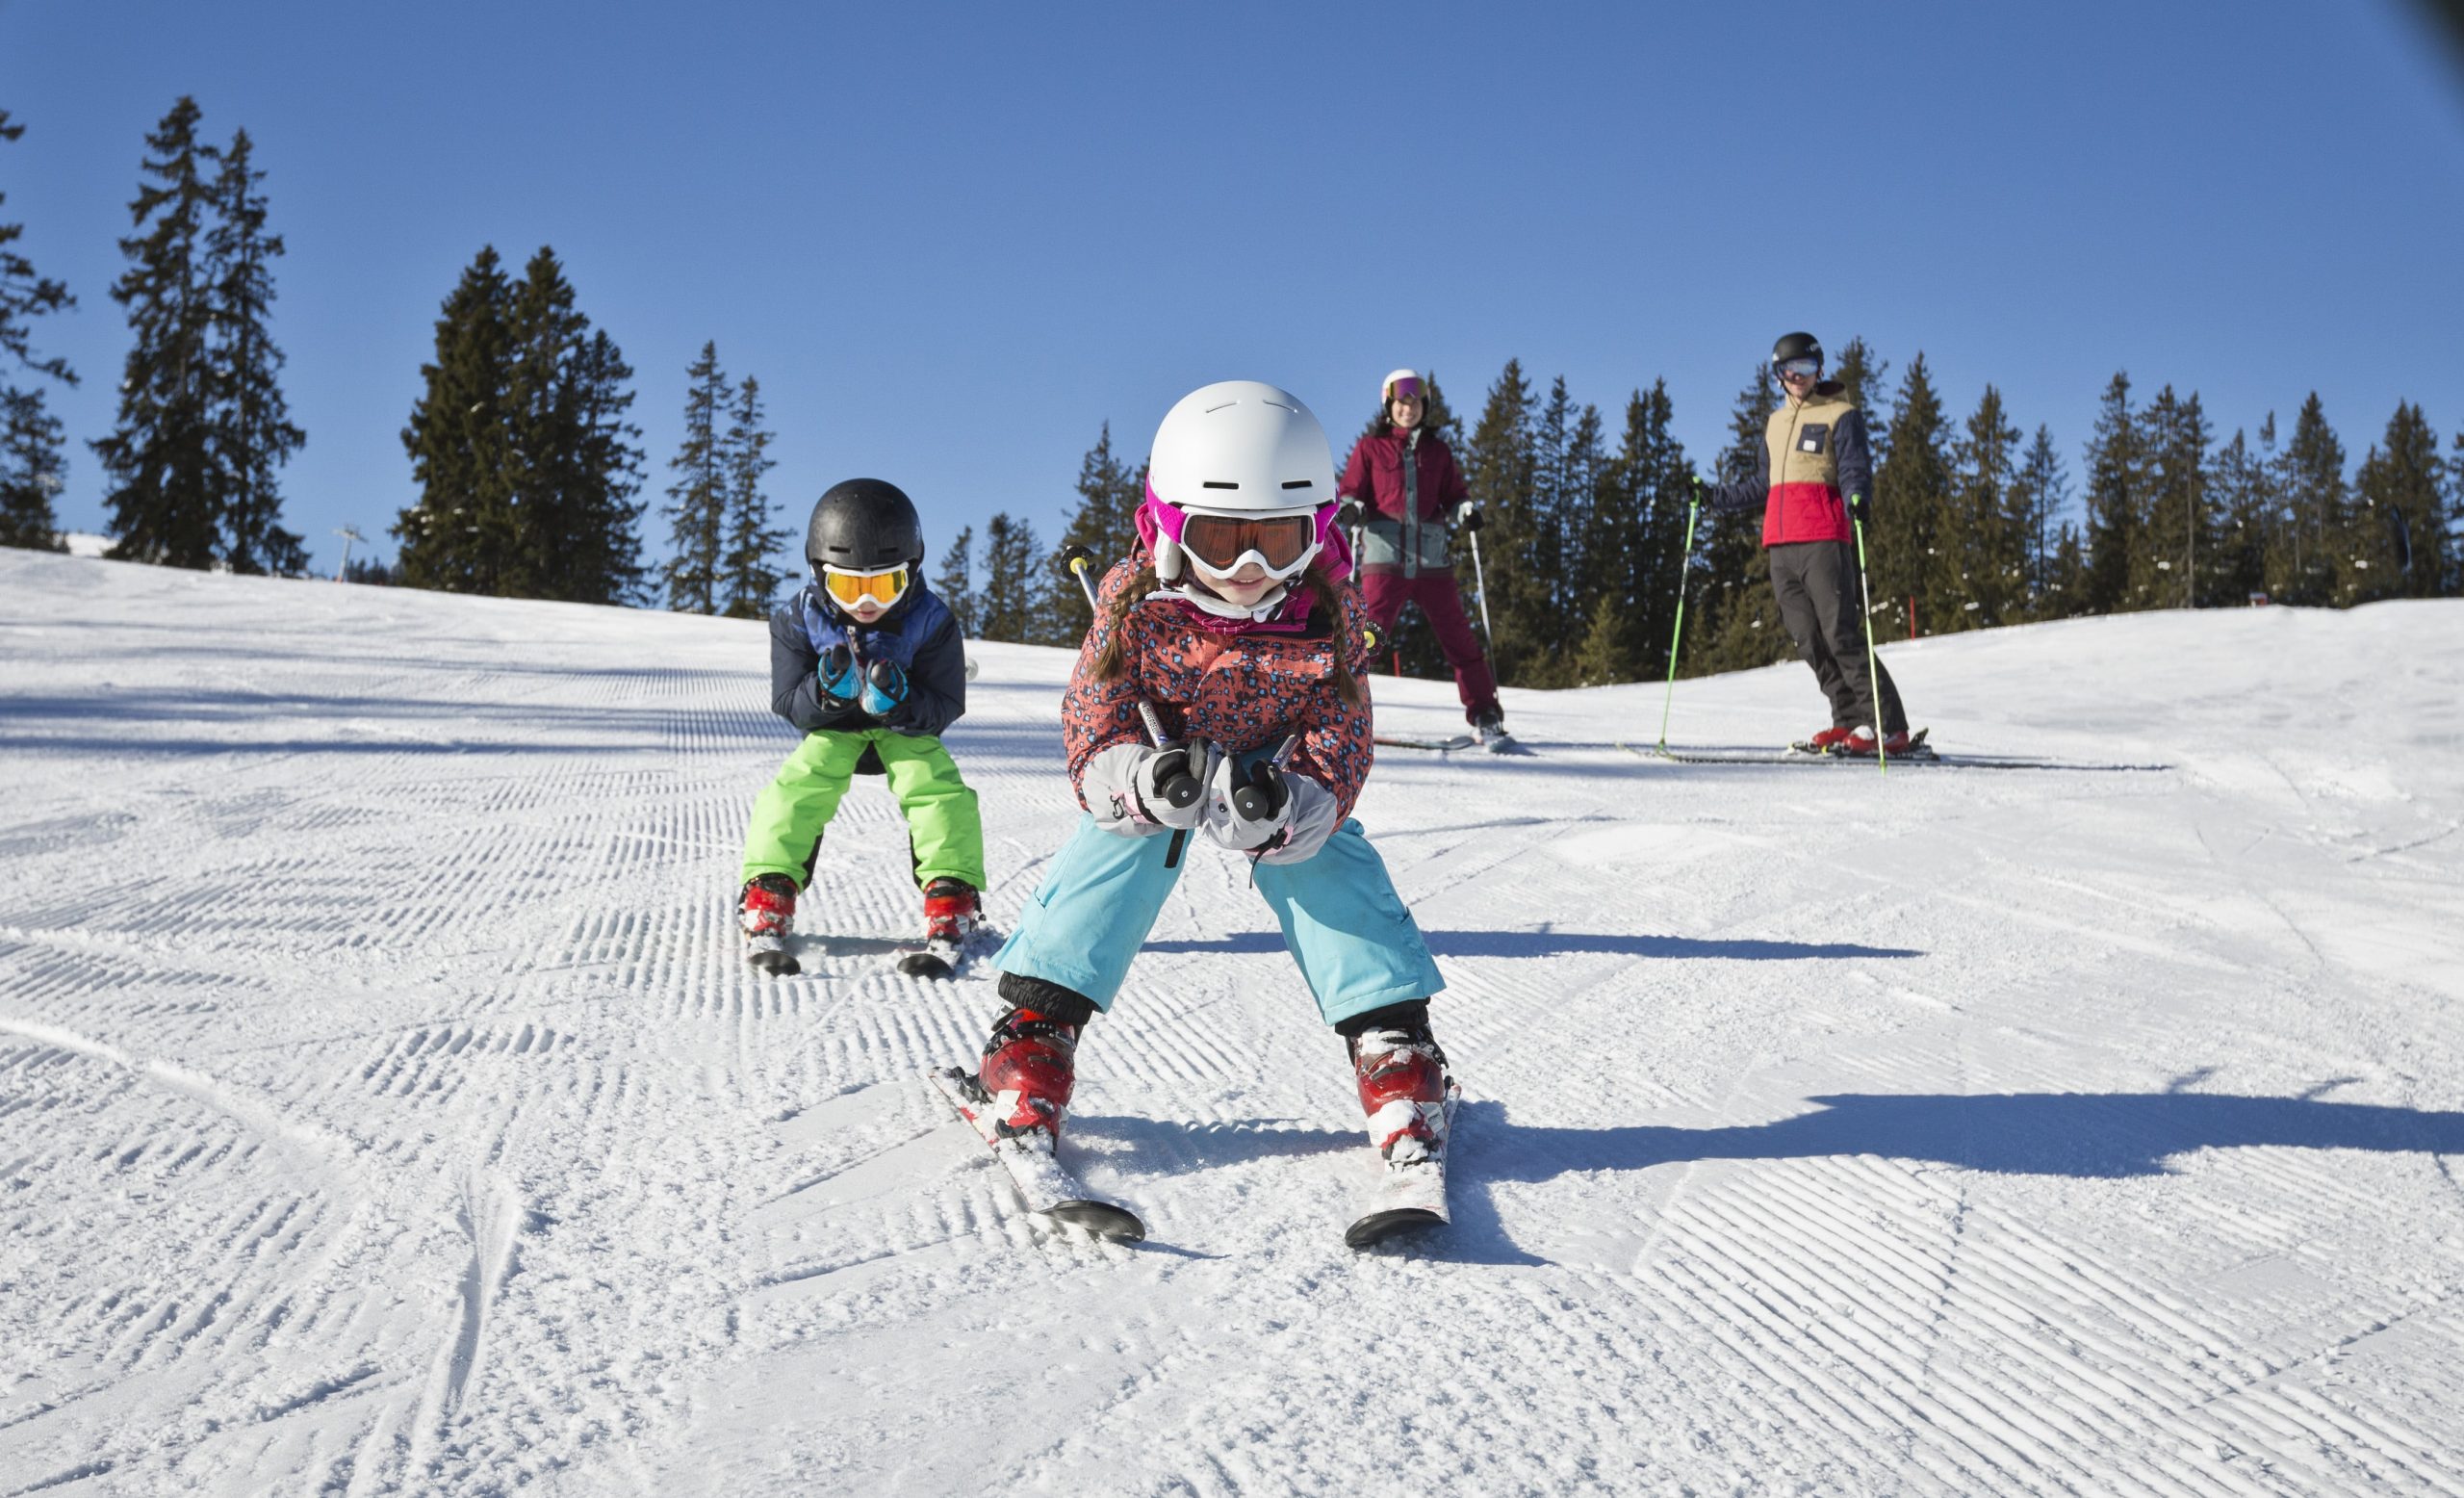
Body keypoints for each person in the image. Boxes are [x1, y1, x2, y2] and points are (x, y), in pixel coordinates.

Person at [969, 379, 1455, 1219]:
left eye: (1278, 540)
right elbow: (1093, 724)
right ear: (1167, 530)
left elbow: (1343, 734)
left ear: (1318, 534)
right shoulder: (1132, 602)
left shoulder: (1329, 612)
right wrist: (1133, 779)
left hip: (1272, 770)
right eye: (1222, 540)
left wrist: (1299, 797)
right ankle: (1034, 1036)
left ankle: (1393, 1043)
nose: (1250, 570)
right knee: (1119, 841)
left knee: (1325, 853)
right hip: (1164, 762)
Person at [737, 478, 986, 975]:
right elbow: (788, 701)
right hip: (835, 726)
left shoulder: (931, 620)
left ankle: (951, 897)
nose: (866, 602)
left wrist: (899, 703)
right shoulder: (799, 620)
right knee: (800, 783)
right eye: (848, 586)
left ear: (910, 574)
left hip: (904, 728)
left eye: (885, 584)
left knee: (936, 788)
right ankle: (769, 889)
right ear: (818, 573)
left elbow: (945, 703)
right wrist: (826, 695)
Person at [1696, 332, 1912, 754]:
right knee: (1807, 638)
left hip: (1823, 538)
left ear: (1821, 371)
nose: (1798, 378)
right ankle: (1849, 719)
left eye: (1807, 369)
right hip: (1781, 544)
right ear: (1779, 376)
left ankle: (1888, 727)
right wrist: (1713, 498)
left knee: (1840, 634)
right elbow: (1764, 484)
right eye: (1789, 371)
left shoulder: (1840, 414)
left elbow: (1854, 467)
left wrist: (1858, 498)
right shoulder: (1775, 424)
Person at [1337, 369, 1508, 745]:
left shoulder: (1438, 451)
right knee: (1366, 636)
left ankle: (1485, 713)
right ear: (1389, 406)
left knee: (1459, 639)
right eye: (1401, 402)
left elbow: (1455, 494)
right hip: (1385, 557)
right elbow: (1350, 490)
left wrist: (1465, 510)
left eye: (1414, 403)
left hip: (1432, 561)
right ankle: (1338, 708)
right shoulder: (1371, 448)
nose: (1408, 409)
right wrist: (1351, 507)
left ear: (1424, 407)